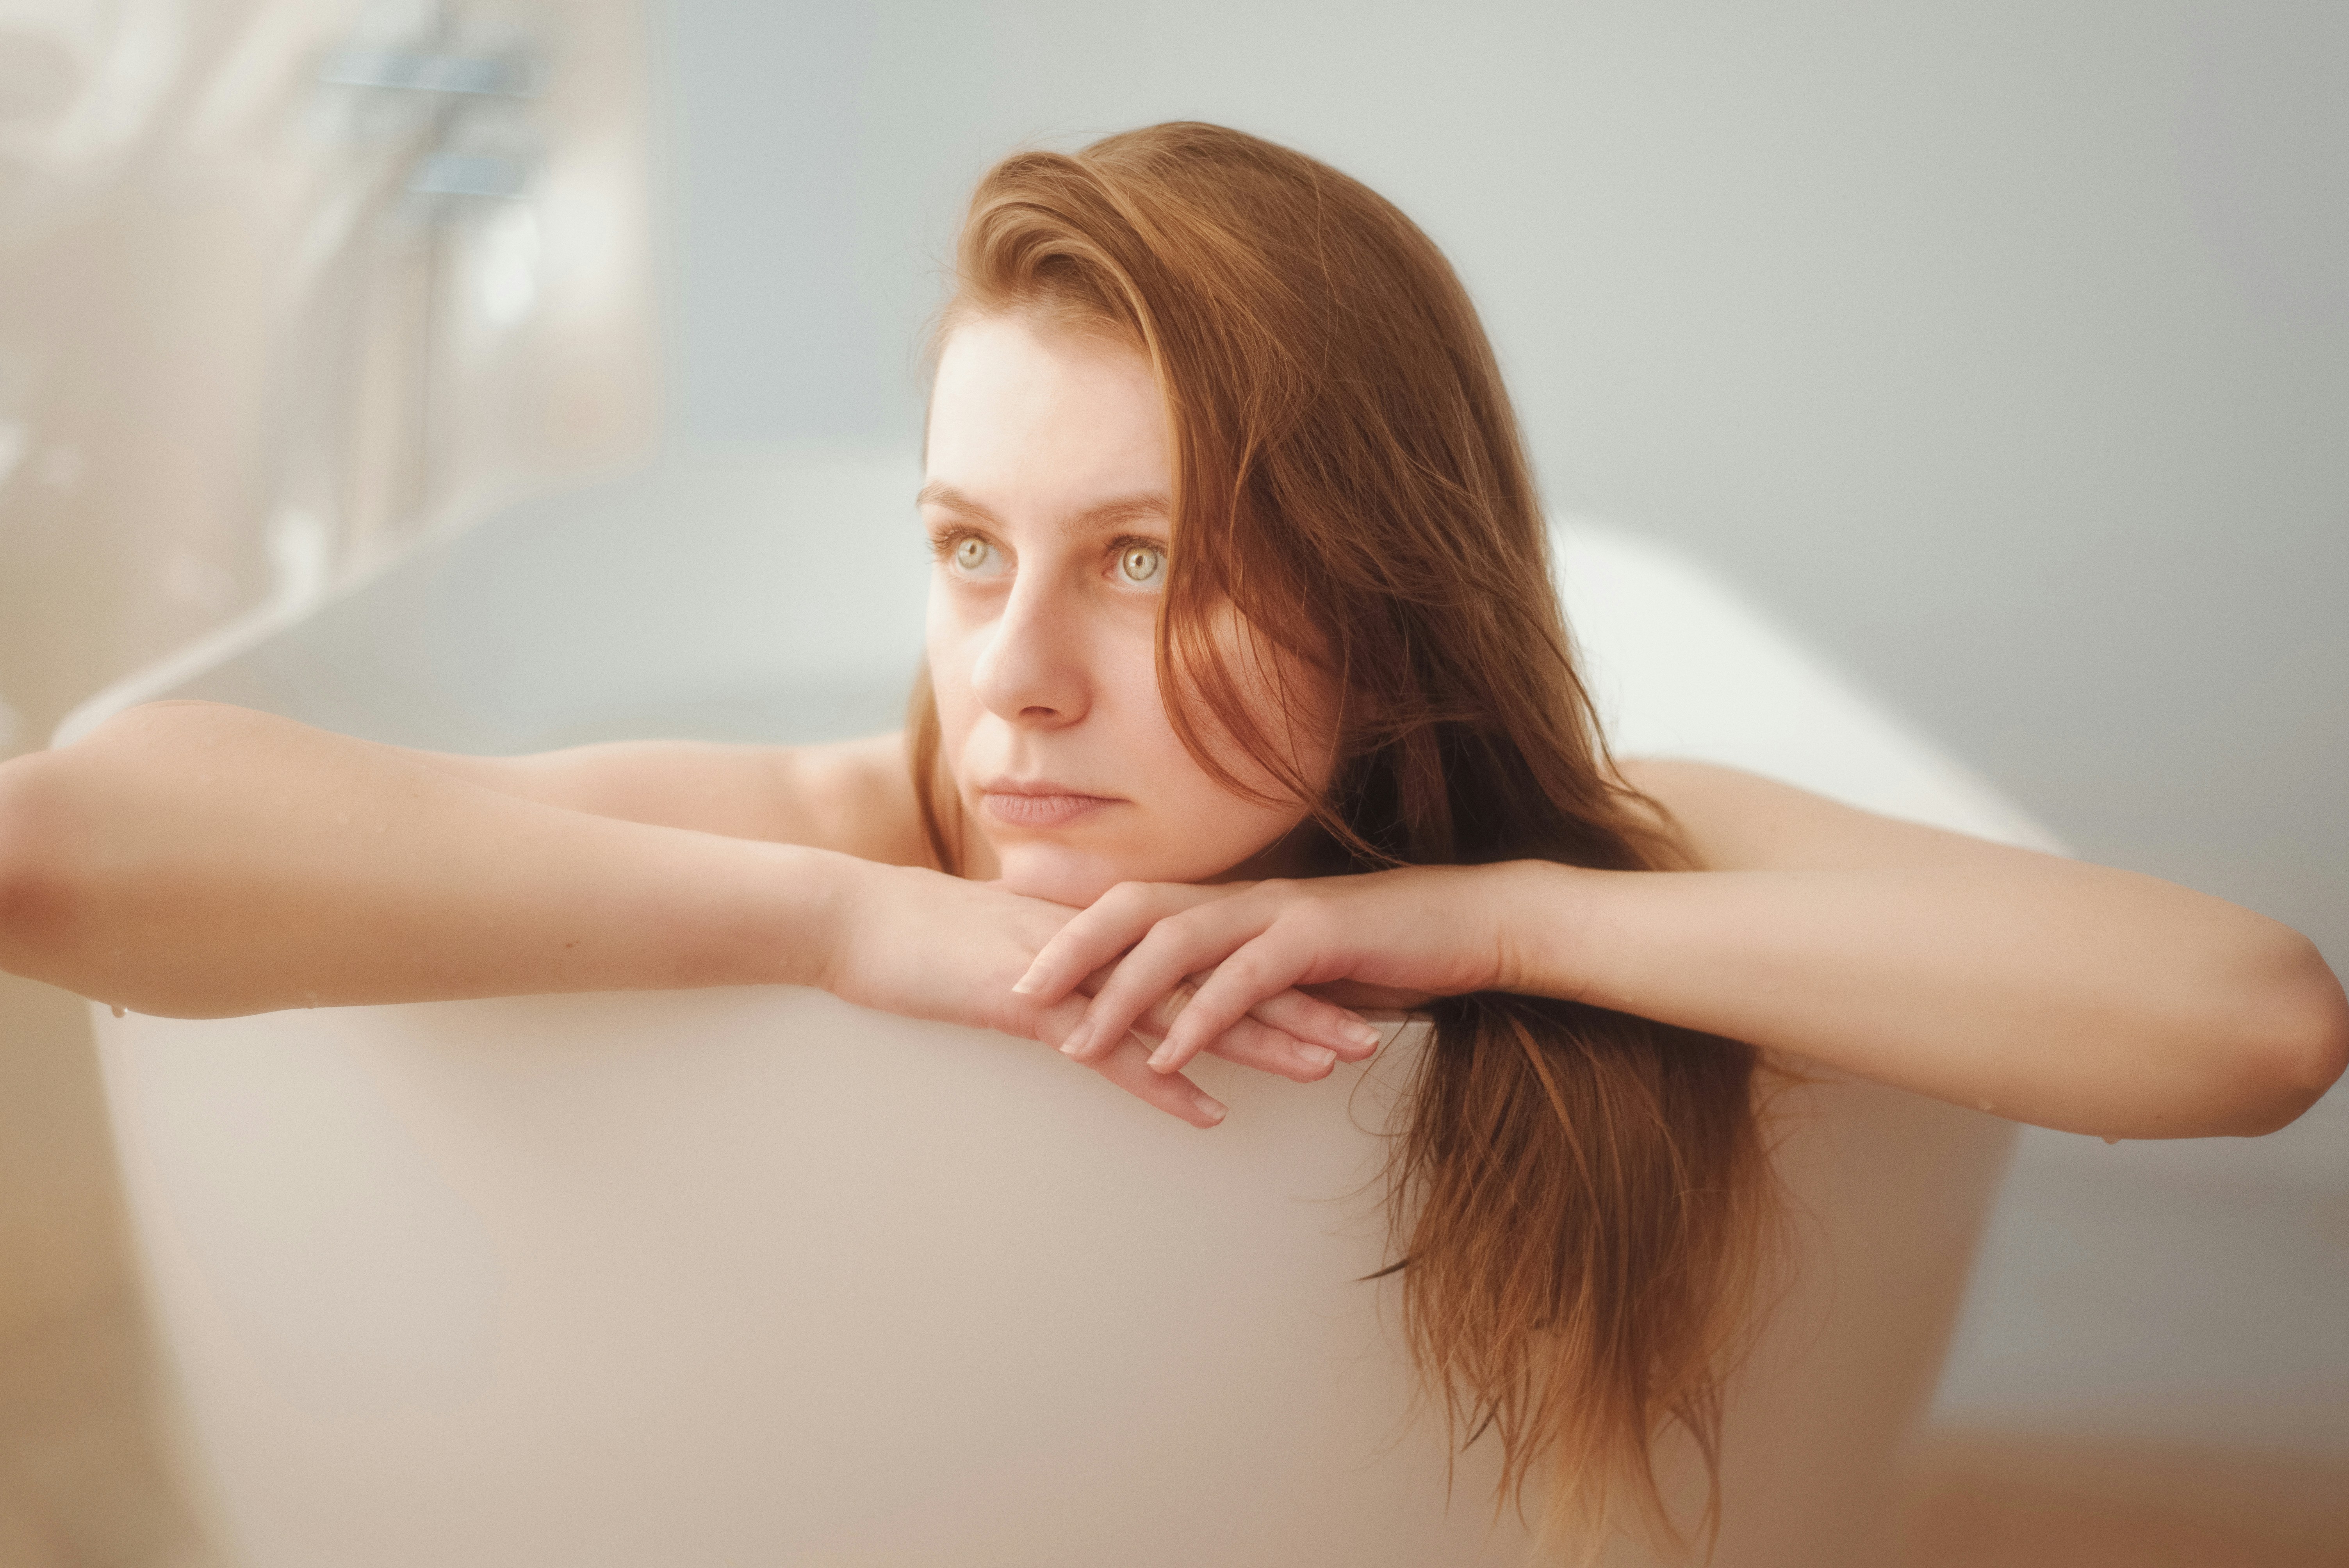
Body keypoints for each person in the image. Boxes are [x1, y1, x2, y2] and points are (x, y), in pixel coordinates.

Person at [1, 122, 2341, 1556]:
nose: (1014, 675)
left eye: (1143, 559)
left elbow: (2249, 1025)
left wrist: (1503, 919)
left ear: (1391, 595)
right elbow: (69, 852)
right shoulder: (843, 818)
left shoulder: (1614, 851)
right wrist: (837, 931)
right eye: (962, 545)